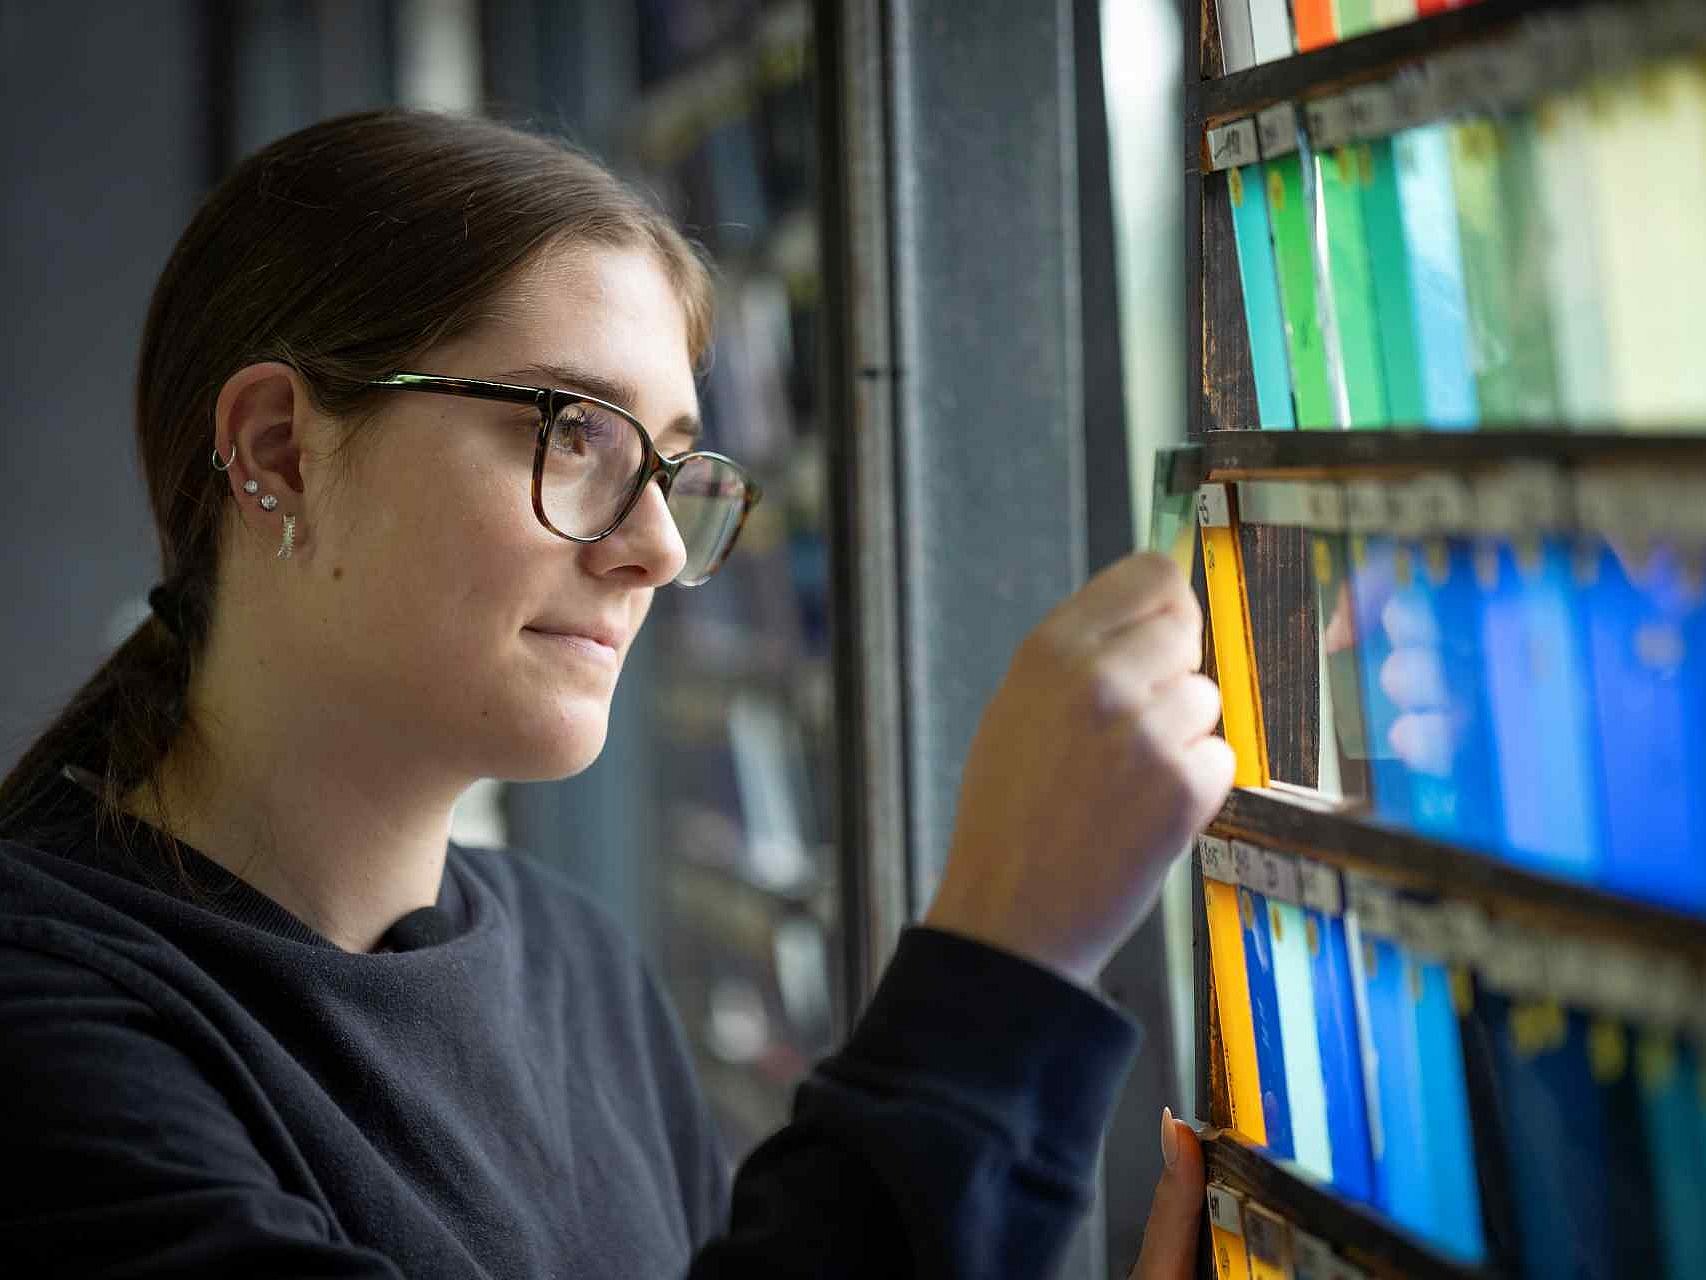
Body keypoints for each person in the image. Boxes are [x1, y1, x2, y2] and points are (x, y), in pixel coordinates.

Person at [0, 109, 1234, 1278]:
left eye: (673, 463)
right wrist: (1002, 954)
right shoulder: (47, 1019)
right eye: (571, 429)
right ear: (278, 450)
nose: (651, 545)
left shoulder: (576, 965)